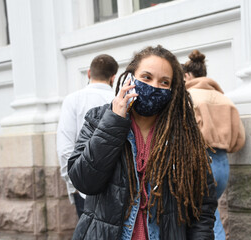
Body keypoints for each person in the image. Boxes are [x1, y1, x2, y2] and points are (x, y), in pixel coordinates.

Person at [68, 45, 217, 239]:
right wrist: (114, 122)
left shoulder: (184, 134)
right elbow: (84, 181)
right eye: (146, 77)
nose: (154, 86)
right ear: (130, 78)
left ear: (173, 90)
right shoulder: (98, 119)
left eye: (164, 82)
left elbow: (202, 209)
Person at [182, 49, 246, 240]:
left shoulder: (187, 97)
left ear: (186, 75)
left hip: (200, 161)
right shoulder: (225, 99)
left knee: (201, 215)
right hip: (222, 163)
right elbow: (240, 137)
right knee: (212, 212)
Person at [57, 54, 119, 218]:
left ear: (89, 73)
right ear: (113, 77)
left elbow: (65, 149)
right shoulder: (118, 100)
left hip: (82, 188)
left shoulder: (72, 100)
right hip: (115, 190)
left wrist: (74, 185)